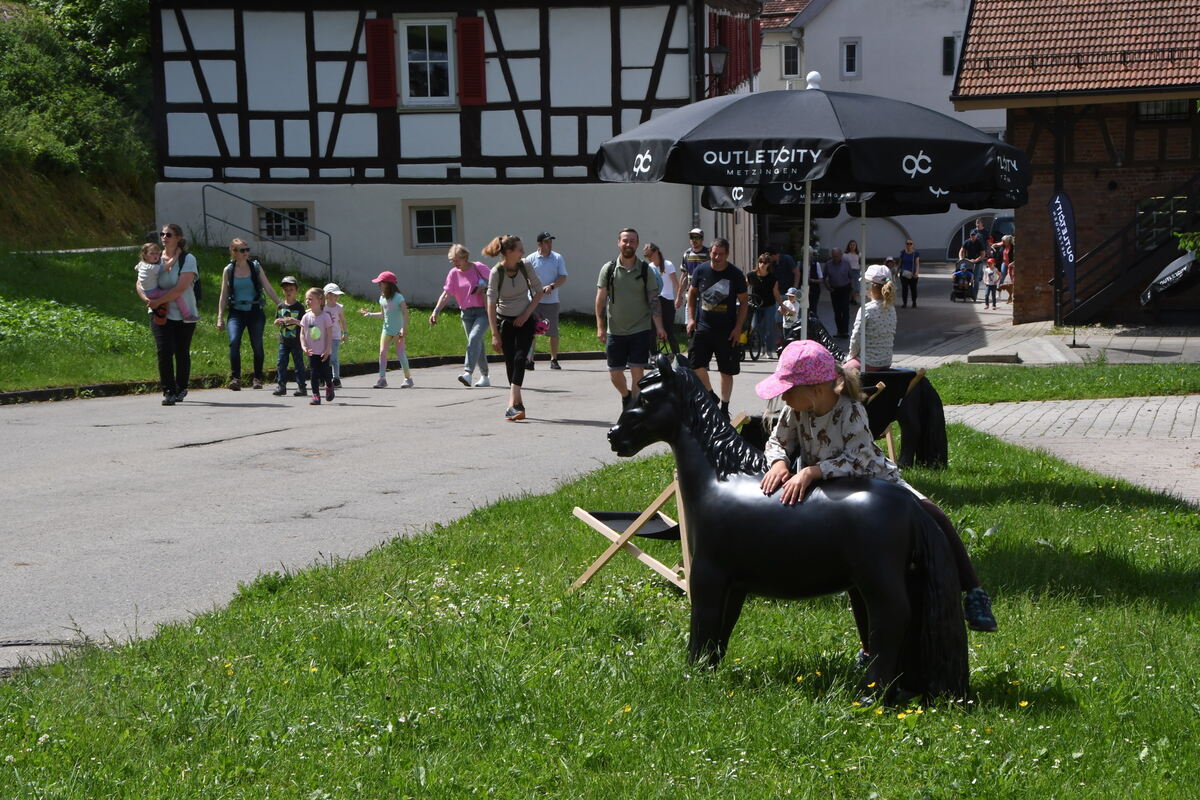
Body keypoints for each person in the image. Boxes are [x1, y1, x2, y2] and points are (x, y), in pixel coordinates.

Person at [755, 340, 998, 638]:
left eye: (787, 389)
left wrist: (812, 471)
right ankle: (868, 648)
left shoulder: (850, 411)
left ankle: (974, 591)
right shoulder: (795, 410)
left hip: (873, 482)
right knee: (856, 577)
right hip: (835, 495)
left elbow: (859, 458)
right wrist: (779, 462)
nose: (783, 395)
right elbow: (778, 441)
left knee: (933, 513)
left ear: (815, 389)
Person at [595, 228, 667, 413]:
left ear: (637, 244)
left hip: (640, 329)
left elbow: (653, 300)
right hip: (615, 330)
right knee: (615, 373)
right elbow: (601, 299)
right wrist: (600, 326)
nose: (628, 244)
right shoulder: (608, 268)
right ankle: (626, 396)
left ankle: (633, 409)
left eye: (632, 241)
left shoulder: (645, 269)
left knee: (637, 372)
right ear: (618, 242)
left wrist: (659, 327)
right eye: (625, 240)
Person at [137, 223, 199, 406]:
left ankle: (181, 387)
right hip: (160, 312)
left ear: (178, 237)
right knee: (164, 351)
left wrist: (158, 300)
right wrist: (148, 300)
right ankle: (169, 391)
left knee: (181, 352)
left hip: (184, 313)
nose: (164, 237)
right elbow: (140, 282)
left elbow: (181, 288)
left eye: (169, 234)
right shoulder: (154, 257)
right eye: (162, 234)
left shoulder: (187, 259)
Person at [686, 237, 748, 418]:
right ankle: (710, 394)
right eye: (714, 253)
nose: (717, 257)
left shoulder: (735, 274)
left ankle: (725, 408)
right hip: (703, 327)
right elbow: (691, 294)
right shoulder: (701, 270)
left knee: (726, 371)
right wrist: (690, 318)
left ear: (727, 255)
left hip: (727, 331)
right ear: (710, 252)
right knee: (695, 364)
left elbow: (744, 302)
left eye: (721, 254)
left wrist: (738, 328)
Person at [484, 234, 541, 421]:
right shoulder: (496, 272)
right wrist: (494, 333)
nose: (523, 252)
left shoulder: (526, 266)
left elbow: (539, 291)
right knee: (510, 362)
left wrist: (525, 315)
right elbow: (490, 305)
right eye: (519, 249)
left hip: (525, 320)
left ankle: (510, 403)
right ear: (508, 252)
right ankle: (518, 405)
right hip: (504, 322)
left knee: (519, 358)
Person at [216, 239, 282, 391]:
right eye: (242, 250)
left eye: (247, 249)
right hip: (236, 311)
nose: (246, 252)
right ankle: (235, 378)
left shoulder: (255, 267)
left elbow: (268, 287)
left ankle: (257, 378)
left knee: (257, 345)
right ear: (234, 252)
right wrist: (220, 317)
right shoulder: (229, 270)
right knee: (234, 342)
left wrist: (280, 304)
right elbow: (223, 294)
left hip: (255, 311)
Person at [429, 243, 492, 387]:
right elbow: (446, 294)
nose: (454, 263)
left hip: (483, 311)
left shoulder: (478, 267)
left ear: (465, 257)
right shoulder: (453, 273)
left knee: (474, 338)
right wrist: (436, 311)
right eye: (452, 261)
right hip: (466, 313)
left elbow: (496, 281)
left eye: (457, 260)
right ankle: (485, 376)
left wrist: (485, 287)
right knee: (477, 344)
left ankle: (468, 373)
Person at [358, 270, 414, 389]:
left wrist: (404, 329)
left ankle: (408, 379)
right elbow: (383, 315)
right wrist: (370, 314)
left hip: (398, 331)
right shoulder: (382, 298)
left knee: (400, 354)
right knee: (382, 352)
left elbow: (405, 313)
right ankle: (382, 379)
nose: (379, 285)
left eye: (381, 282)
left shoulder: (399, 298)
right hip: (386, 330)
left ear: (388, 284)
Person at [523, 232, 568, 370]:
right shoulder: (530, 259)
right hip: (533, 301)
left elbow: (563, 277)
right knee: (530, 331)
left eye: (550, 241)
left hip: (551, 301)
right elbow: (526, 279)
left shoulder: (557, 257)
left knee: (553, 331)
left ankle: (554, 359)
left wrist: (552, 286)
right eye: (547, 241)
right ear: (539, 244)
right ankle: (529, 359)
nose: (550, 244)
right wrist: (537, 288)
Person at [845, 264, 897, 372]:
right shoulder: (891, 309)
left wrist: (850, 357)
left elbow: (856, 338)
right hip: (886, 361)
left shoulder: (866, 309)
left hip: (868, 362)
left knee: (838, 373)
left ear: (869, 286)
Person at [135, 242, 195, 324]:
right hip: (153, 293)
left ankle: (161, 312)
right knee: (176, 295)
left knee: (164, 295)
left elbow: (136, 268)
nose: (155, 256)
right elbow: (167, 266)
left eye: (157, 253)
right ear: (144, 255)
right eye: (152, 253)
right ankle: (187, 315)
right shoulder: (151, 267)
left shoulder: (141, 264)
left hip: (147, 292)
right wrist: (176, 254)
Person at [641, 242, 680, 353]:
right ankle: (653, 356)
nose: (648, 258)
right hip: (655, 301)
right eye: (646, 256)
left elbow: (676, 283)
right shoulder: (650, 267)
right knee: (652, 330)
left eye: (649, 254)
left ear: (656, 252)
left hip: (667, 300)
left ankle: (677, 356)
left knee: (669, 331)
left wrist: (678, 297)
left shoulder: (668, 264)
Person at [271, 276, 307, 397]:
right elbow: (276, 320)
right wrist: (277, 322)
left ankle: (302, 387)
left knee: (298, 364)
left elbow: (304, 323)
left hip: (296, 341)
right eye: (286, 289)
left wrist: (294, 321)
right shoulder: (281, 306)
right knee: (281, 363)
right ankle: (281, 386)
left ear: (296, 291)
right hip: (284, 340)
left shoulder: (299, 307)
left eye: (291, 289)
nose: (288, 292)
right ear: (283, 291)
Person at [300, 287, 334, 405]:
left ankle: (329, 385)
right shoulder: (306, 317)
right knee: (313, 374)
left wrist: (327, 349)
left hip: (324, 351)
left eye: (310, 299)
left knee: (325, 373)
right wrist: (304, 346)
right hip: (312, 351)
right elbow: (302, 334)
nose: (307, 301)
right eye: (306, 299)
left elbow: (330, 335)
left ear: (320, 301)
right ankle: (316, 396)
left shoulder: (325, 317)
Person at [747, 252, 783, 355]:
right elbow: (743, 288)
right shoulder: (751, 275)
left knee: (768, 327)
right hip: (755, 305)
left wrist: (781, 305)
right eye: (761, 261)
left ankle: (768, 350)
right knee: (755, 326)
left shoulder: (772, 278)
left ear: (769, 265)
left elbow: (776, 292)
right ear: (758, 262)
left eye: (765, 262)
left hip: (769, 305)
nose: (762, 264)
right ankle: (760, 346)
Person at [679, 228, 710, 327]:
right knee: (689, 323)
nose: (693, 240)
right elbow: (684, 275)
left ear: (702, 239)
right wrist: (679, 295)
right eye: (691, 237)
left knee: (704, 323)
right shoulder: (687, 254)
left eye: (696, 237)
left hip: (706, 294)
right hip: (690, 294)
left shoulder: (708, 253)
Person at [823, 247, 852, 337]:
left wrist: (851, 290)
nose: (835, 258)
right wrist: (828, 287)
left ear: (841, 255)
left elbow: (850, 277)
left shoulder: (846, 264)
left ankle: (845, 331)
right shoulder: (828, 264)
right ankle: (839, 331)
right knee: (837, 311)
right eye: (834, 256)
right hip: (834, 289)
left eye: (837, 256)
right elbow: (824, 277)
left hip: (845, 288)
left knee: (845, 310)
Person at [323, 283, 348, 388]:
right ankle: (323, 378)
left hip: (335, 336)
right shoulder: (322, 307)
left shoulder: (338, 307)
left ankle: (336, 378)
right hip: (323, 337)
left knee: (333, 358)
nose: (337, 297)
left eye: (338, 295)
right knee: (324, 358)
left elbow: (343, 321)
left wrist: (344, 333)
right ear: (327, 295)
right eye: (335, 295)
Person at [959, 228, 987, 302]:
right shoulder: (967, 242)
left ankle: (974, 295)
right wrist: (961, 259)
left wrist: (975, 260)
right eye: (972, 235)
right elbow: (961, 251)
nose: (973, 236)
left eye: (974, 235)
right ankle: (968, 293)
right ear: (970, 235)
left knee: (976, 279)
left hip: (978, 261)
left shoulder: (979, 242)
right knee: (967, 277)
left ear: (976, 235)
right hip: (968, 261)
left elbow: (983, 254)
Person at [897, 239, 920, 308]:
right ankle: (904, 303)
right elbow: (900, 262)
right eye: (907, 243)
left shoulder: (915, 254)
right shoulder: (903, 252)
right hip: (903, 273)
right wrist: (897, 270)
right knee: (904, 289)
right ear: (906, 244)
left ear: (912, 245)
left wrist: (916, 272)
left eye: (910, 244)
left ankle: (914, 302)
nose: (909, 245)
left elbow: (917, 264)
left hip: (912, 274)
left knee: (913, 289)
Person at [998, 234, 1016, 303]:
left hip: (1011, 265)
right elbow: (998, 244)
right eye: (1002, 241)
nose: (1003, 242)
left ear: (1008, 241)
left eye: (1004, 241)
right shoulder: (1003, 245)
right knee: (1002, 277)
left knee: (1012, 280)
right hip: (1004, 263)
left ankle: (1012, 296)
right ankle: (999, 294)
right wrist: (993, 245)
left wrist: (1013, 263)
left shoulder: (1013, 248)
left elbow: (1016, 257)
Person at [844, 240, 861, 305]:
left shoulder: (858, 254)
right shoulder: (846, 255)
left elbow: (859, 262)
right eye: (851, 245)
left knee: (856, 286)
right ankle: (851, 298)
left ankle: (854, 298)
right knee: (851, 286)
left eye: (854, 245)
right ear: (849, 246)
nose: (852, 246)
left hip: (856, 270)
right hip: (849, 270)